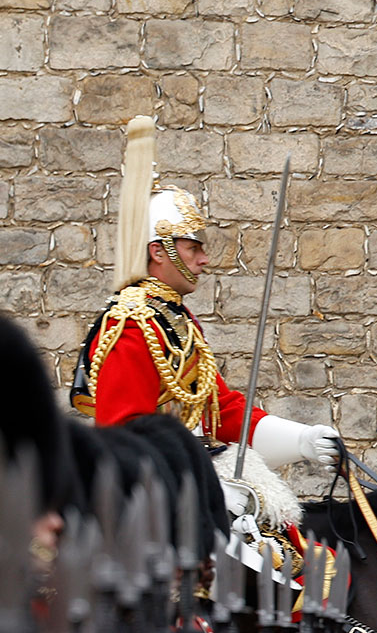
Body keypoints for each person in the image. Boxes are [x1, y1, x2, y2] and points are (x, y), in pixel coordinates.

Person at [70, 187, 336, 478]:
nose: (204, 259)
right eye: (193, 248)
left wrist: (301, 440)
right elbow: (124, 434)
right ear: (158, 251)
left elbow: (220, 410)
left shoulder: (173, 318)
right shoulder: (131, 324)